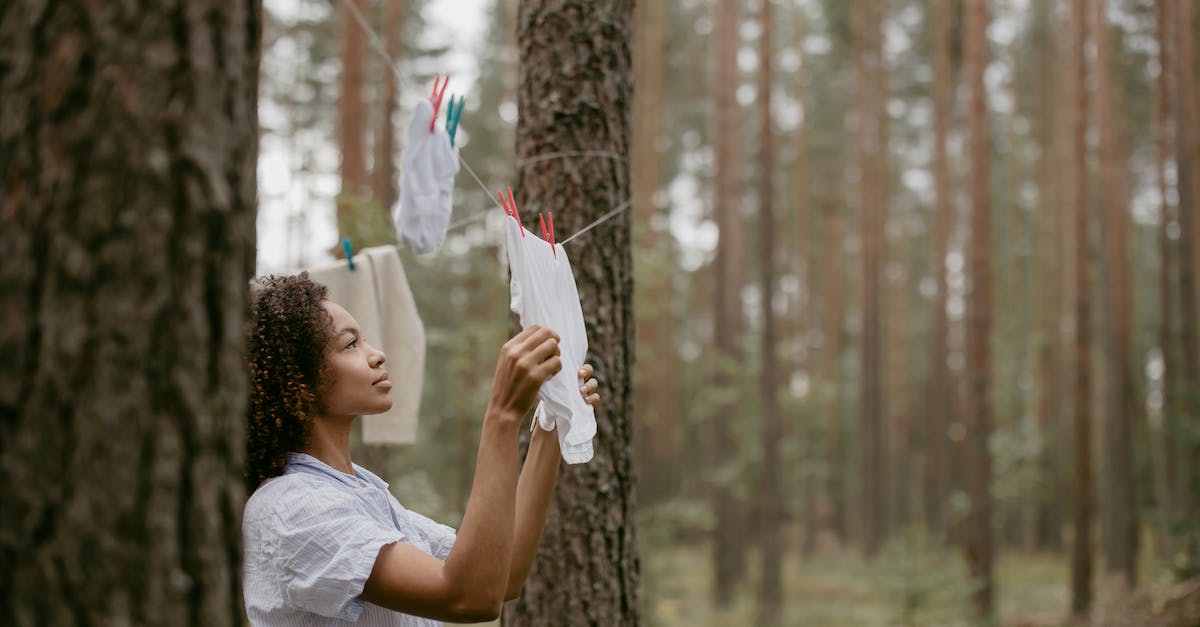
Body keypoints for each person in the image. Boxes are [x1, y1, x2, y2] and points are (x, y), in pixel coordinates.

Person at [242, 273, 600, 625]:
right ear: (296, 378)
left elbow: (503, 576)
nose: (377, 355)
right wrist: (502, 416)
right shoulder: (290, 509)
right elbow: (468, 597)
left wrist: (552, 419)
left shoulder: (362, 492)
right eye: (351, 344)